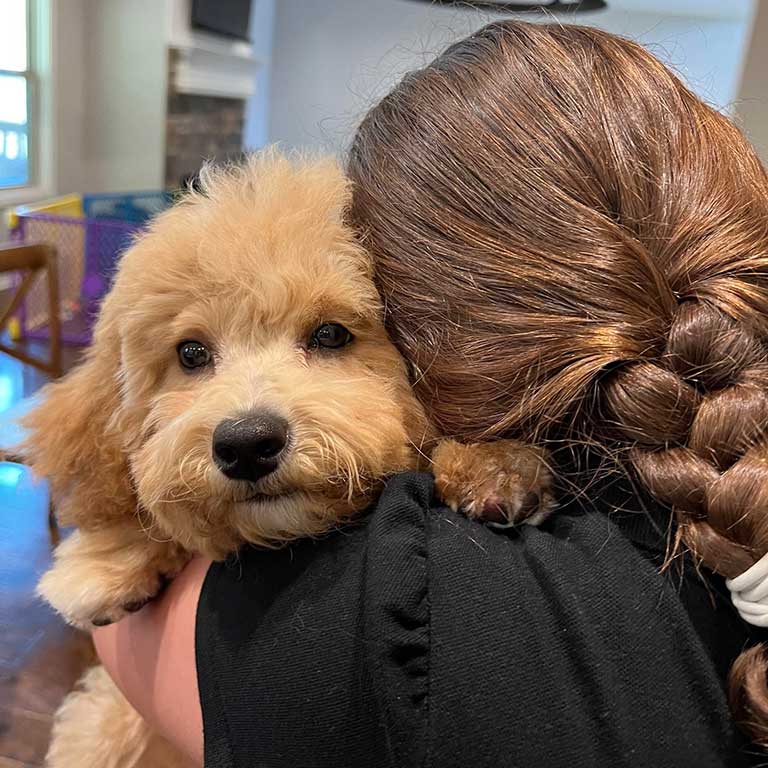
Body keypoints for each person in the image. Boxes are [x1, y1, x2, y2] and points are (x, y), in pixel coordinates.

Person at [95, 20, 768, 766]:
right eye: (194, 354)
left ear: (431, 333)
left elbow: (128, 637)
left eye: (329, 338)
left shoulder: (393, 613)